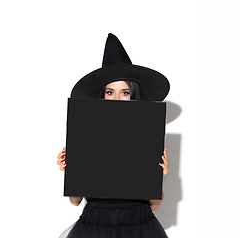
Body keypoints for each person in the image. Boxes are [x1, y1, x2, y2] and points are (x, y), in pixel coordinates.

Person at [56, 33, 170, 238]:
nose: (117, 98)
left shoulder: (148, 136)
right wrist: (71, 170)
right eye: (110, 92)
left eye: (125, 92)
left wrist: (158, 176)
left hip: (139, 226)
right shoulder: (85, 134)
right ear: (102, 96)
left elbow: (154, 205)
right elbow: (75, 201)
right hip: (94, 226)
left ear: (134, 96)